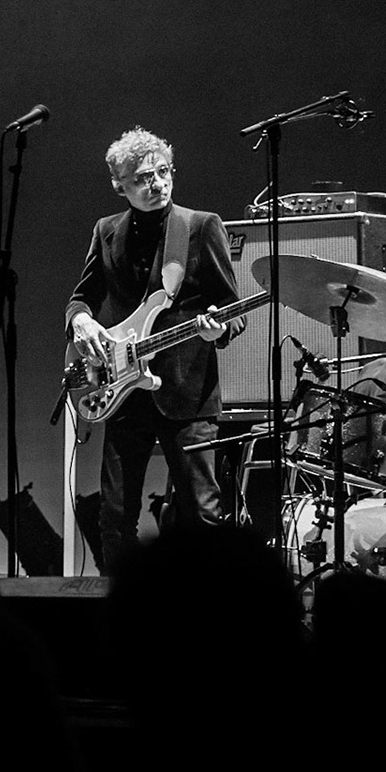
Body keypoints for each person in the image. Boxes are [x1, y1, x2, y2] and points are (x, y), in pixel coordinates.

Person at [66, 127, 244, 572]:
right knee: (114, 517)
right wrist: (80, 320)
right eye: (144, 178)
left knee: (202, 515)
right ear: (119, 185)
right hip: (125, 391)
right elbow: (81, 296)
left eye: (163, 172)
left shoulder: (201, 226)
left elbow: (234, 311)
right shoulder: (107, 231)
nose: (158, 184)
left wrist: (214, 331)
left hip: (188, 394)